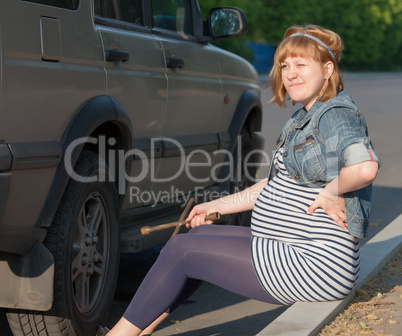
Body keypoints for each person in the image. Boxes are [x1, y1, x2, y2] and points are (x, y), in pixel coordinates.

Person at [96, 24, 380, 336]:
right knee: (187, 242)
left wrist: (331, 190)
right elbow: (272, 187)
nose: (290, 74)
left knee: (184, 252)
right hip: (291, 250)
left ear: (327, 70)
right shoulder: (306, 117)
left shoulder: (334, 115)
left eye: (301, 65)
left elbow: (365, 167)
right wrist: (213, 205)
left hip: (314, 266)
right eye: (285, 66)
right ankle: (138, 331)